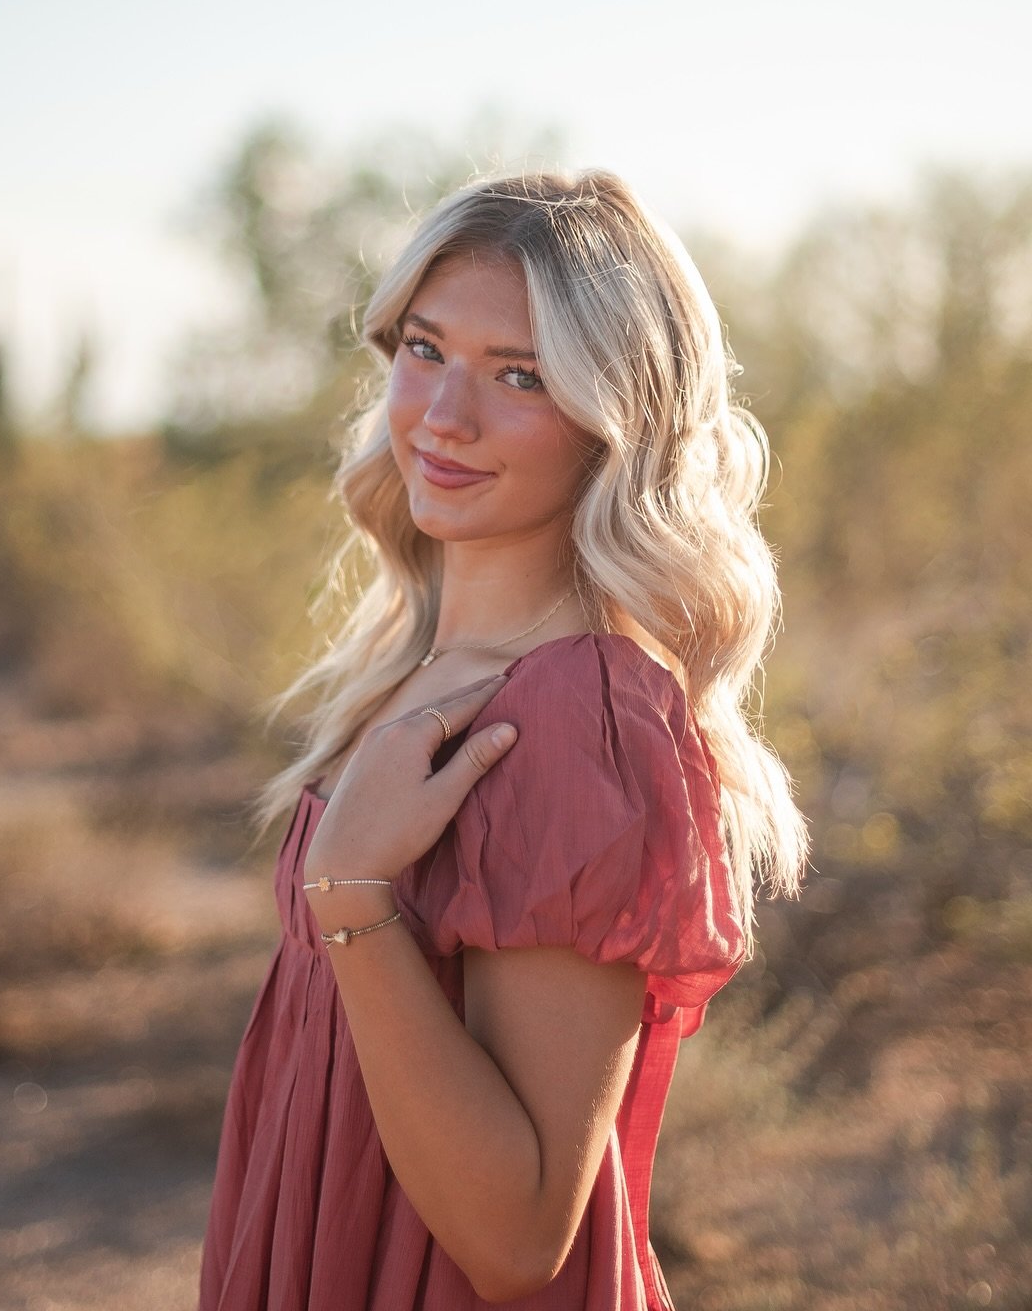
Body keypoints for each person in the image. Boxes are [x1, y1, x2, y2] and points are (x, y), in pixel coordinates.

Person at [198, 167, 811, 1310]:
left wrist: (351, 896)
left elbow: (522, 1233)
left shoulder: (579, 717)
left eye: (519, 375)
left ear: (614, 422)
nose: (442, 415)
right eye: (424, 350)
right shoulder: (419, 670)